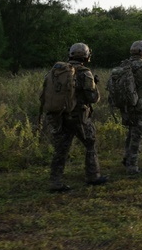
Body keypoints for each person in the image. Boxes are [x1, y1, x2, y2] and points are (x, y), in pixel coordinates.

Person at [41, 43, 108, 192]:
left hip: (59, 116)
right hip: (78, 117)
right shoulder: (85, 73)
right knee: (90, 143)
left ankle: (55, 182)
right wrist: (94, 86)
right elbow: (93, 98)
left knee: (61, 149)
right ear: (86, 56)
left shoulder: (57, 71)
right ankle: (93, 176)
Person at [111, 40, 142, 175]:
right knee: (137, 135)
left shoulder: (124, 65)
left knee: (131, 133)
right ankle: (132, 166)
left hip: (126, 105)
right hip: (139, 106)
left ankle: (127, 158)